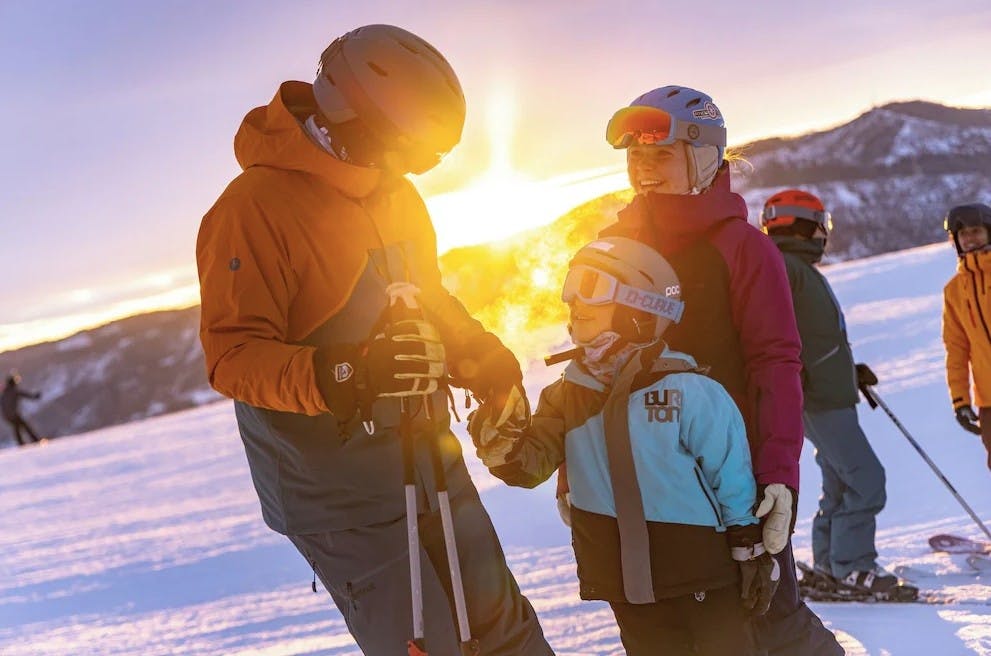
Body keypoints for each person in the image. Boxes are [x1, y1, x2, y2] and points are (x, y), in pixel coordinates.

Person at [196, 24, 551, 656]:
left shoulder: (395, 192)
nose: (404, 171)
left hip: (427, 455)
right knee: (431, 645)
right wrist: (346, 375)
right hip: (338, 491)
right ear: (349, 113)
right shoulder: (251, 208)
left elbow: (427, 297)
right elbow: (232, 357)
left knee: (505, 630)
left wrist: (478, 356)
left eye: (418, 161)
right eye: (400, 151)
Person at [576, 85, 843, 655]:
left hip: (731, 483)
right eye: (635, 157)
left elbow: (775, 362)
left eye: (661, 155)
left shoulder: (744, 249)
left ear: (702, 156)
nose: (644, 171)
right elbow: (594, 359)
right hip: (642, 484)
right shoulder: (612, 248)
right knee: (657, 632)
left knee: (771, 620)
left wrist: (779, 475)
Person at [469, 236, 778, 656]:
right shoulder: (566, 397)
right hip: (626, 586)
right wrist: (500, 436)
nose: (575, 304)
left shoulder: (687, 389)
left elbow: (731, 476)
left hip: (704, 576)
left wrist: (749, 548)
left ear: (638, 310)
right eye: (570, 293)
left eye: (592, 292)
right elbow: (529, 467)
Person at [760, 189, 899, 594]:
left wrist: (847, 370)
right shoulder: (786, 269)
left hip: (828, 393)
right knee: (866, 479)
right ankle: (852, 566)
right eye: (821, 225)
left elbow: (812, 337)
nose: (824, 234)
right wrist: (799, 375)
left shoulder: (795, 269)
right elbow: (775, 332)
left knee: (840, 482)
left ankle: (830, 563)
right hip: (819, 399)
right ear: (802, 226)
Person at [941, 202, 991, 470]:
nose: (970, 238)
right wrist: (960, 399)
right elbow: (957, 350)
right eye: (963, 234)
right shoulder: (954, 291)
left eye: (976, 231)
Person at [2, 372, 43, 446]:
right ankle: (35, 440)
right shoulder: (13, 391)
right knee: (24, 426)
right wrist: (35, 396)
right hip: (13, 414)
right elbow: (25, 394)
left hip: (7, 416)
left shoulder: (5, 392)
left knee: (17, 427)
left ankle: (21, 443)